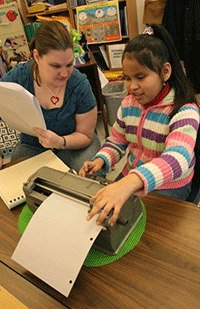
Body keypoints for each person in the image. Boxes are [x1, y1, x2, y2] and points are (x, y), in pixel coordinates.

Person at [79, 24, 200, 226]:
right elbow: (117, 141)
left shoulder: (185, 110)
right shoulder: (128, 103)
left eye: (140, 77)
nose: (132, 86)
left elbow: (177, 160)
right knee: (103, 213)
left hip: (170, 185)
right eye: (127, 78)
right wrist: (101, 160)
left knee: (139, 228)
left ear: (165, 72)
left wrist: (130, 182)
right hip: (132, 175)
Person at [0, 21, 101, 171]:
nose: (65, 73)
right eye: (56, 66)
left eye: (69, 64)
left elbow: (85, 136)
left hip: (74, 145)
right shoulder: (19, 77)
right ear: (37, 57)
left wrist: (60, 142)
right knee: (20, 176)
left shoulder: (79, 84)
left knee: (83, 173)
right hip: (34, 146)